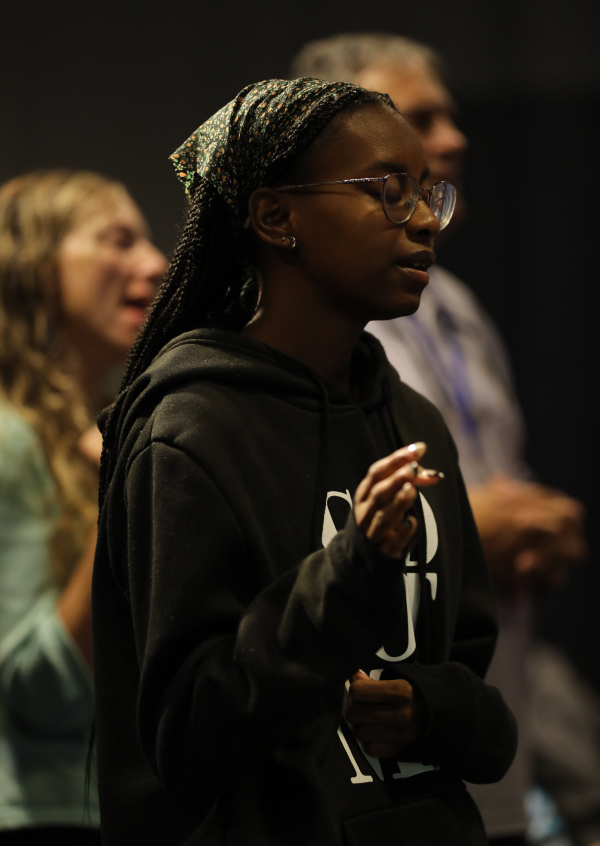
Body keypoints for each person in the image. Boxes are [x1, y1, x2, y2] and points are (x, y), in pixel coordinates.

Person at [92, 77, 517, 846]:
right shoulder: (191, 431)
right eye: (389, 191)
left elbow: (474, 692)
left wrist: (431, 711)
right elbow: (188, 734)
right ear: (276, 217)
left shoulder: (412, 421)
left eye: (429, 193)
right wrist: (349, 576)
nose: (426, 220)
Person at [290, 32, 587, 844]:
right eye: (421, 119)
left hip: (484, 707)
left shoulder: (457, 307)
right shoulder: (319, 324)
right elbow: (320, 521)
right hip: (379, 745)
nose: (452, 139)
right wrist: (477, 526)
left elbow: (497, 475)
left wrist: (539, 529)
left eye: (450, 117)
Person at [0, 169, 166, 843]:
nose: (156, 264)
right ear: (36, 267)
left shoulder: (87, 433)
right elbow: (41, 692)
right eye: (118, 241)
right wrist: (120, 501)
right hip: (40, 819)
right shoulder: (11, 440)